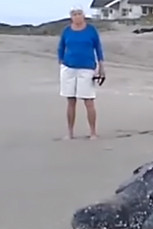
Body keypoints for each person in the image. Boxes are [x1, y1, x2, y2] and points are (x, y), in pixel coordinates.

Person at [57, 5, 105, 140]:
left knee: (88, 100)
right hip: (69, 68)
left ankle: (93, 132)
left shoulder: (91, 30)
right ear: (71, 17)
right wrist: (60, 61)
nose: (77, 16)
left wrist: (101, 66)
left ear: (83, 15)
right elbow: (61, 47)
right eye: (74, 14)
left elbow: (98, 48)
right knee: (70, 100)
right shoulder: (67, 30)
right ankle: (70, 132)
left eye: (79, 13)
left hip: (87, 68)